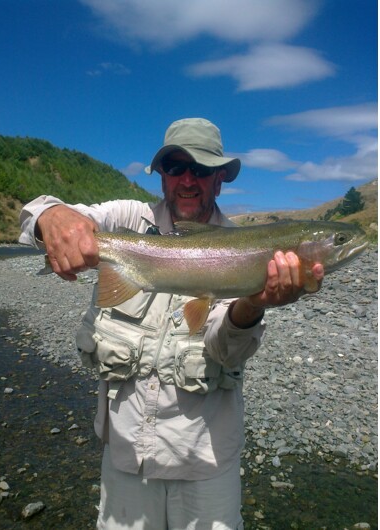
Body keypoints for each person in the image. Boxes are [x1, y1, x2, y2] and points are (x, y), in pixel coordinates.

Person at [19, 118, 326, 530]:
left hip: (204, 461)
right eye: (176, 167)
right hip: (126, 455)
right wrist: (53, 216)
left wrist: (253, 304)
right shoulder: (127, 218)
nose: (187, 179)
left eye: (200, 169)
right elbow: (37, 216)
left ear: (219, 179)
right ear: (161, 175)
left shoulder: (243, 251)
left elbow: (225, 350)